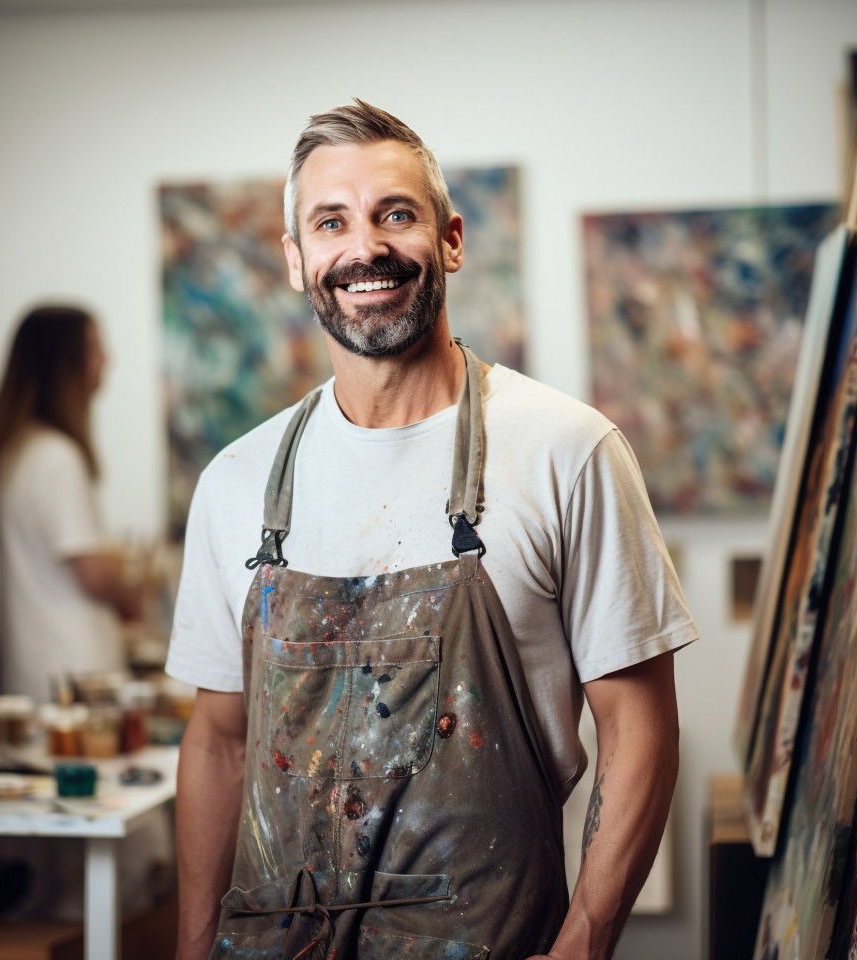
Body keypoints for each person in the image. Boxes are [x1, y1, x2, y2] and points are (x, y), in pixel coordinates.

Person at [166, 100, 698, 960]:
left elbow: (639, 728)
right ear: (298, 262)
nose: (365, 247)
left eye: (396, 214)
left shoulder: (568, 451)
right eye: (331, 222)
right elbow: (220, 742)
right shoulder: (236, 484)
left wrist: (585, 943)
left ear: (450, 240)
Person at [0, 304, 141, 703]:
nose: (107, 360)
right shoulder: (56, 456)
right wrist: (133, 593)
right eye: (95, 349)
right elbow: (92, 573)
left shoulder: (16, 449)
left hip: (34, 666)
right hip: (73, 674)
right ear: (64, 363)